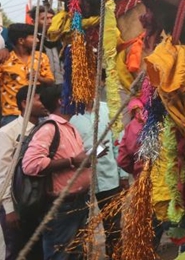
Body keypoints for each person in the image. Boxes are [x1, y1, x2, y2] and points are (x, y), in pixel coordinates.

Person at [22, 85, 91, 260]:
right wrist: (71, 161)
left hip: (79, 202)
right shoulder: (49, 128)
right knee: (60, 255)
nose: (79, 99)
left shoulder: (70, 127)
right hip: (61, 207)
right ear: (61, 101)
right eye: (74, 95)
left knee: (76, 254)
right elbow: (30, 164)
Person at [69, 90, 124, 258]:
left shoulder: (108, 110)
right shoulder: (71, 117)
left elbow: (117, 141)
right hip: (82, 183)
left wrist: (122, 175)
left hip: (109, 178)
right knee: (81, 227)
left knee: (113, 225)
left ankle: (114, 255)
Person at [0, 85, 49, 260]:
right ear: (24, 103)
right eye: (39, 99)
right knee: (17, 251)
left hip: (39, 202)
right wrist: (9, 209)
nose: (45, 103)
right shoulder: (8, 133)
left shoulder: (48, 128)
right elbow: (4, 173)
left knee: (39, 251)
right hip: (17, 203)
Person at [0, 23, 54, 127]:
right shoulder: (4, 60)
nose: (37, 40)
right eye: (33, 37)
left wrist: (40, 78)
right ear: (21, 41)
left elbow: (51, 81)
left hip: (39, 114)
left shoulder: (41, 57)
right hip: (12, 115)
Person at [27, 5, 64, 84]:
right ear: (34, 22)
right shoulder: (32, 42)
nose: (50, 21)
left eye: (51, 18)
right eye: (44, 19)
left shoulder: (63, 38)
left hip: (63, 84)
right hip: (43, 86)